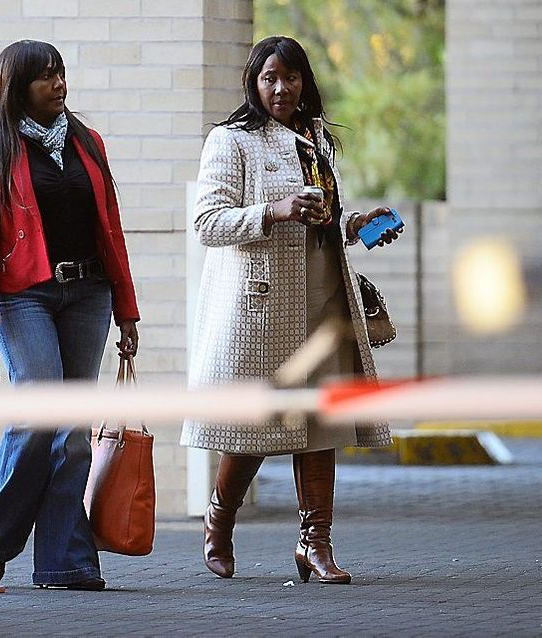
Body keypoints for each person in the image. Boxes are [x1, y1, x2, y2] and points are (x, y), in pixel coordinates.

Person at [181, 35, 401, 585]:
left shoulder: (315, 138)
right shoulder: (231, 140)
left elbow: (322, 217)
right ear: (253, 83)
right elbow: (207, 222)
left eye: (292, 77)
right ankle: (219, 519)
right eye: (269, 78)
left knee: (322, 421)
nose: (281, 88)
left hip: (324, 297)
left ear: (306, 81)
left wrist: (354, 226)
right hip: (264, 305)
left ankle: (316, 544)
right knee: (259, 426)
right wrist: (273, 211)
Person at [0, 40, 140, 591]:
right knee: (39, 419)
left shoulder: (88, 142)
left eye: (61, 73)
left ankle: (66, 560)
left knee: (74, 432)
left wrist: (126, 309)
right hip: (24, 297)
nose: (59, 84)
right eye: (45, 77)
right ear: (17, 88)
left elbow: (110, 227)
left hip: (88, 293)